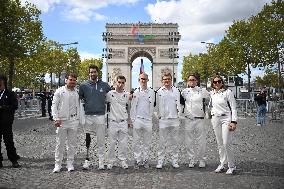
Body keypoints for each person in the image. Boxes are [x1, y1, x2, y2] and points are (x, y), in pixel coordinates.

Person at [79, 65, 111, 170]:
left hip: (100, 116)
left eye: (94, 72)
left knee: (101, 140)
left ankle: (101, 162)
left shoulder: (105, 85)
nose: (93, 74)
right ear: (89, 73)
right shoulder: (83, 85)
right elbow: (79, 100)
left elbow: (112, 98)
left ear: (98, 73)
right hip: (88, 116)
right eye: (91, 72)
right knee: (87, 139)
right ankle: (87, 160)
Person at [51, 73, 80, 173]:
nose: (72, 82)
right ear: (66, 80)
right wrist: (56, 118)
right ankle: (57, 164)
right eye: (71, 80)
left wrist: (79, 119)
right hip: (62, 121)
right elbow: (54, 105)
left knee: (72, 145)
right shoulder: (59, 91)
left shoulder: (77, 92)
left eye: (74, 80)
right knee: (60, 144)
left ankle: (70, 164)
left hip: (73, 121)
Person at [210, 75, 237, 175]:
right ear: (212, 84)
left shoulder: (228, 92)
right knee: (220, 143)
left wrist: (234, 121)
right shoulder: (212, 93)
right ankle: (222, 164)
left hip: (226, 118)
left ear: (222, 82)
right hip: (215, 119)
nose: (217, 83)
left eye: (219, 81)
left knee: (226, 143)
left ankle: (232, 166)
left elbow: (233, 108)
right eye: (215, 82)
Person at [181, 74, 210, 168]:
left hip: (199, 119)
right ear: (187, 81)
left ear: (197, 81)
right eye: (189, 80)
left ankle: (202, 159)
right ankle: (191, 159)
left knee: (201, 142)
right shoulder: (184, 92)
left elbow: (210, 100)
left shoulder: (203, 91)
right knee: (188, 142)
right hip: (188, 119)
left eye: (193, 80)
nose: (191, 81)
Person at [156, 72, 181, 169]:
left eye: (168, 79)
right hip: (164, 120)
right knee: (162, 142)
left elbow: (179, 103)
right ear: (162, 81)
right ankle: (160, 161)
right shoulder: (159, 92)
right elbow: (156, 105)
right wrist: (159, 116)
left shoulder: (176, 90)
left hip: (174, 119)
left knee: (175, 142)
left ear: (171, 80)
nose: (167, 81)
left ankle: (175, 161)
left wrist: (179, 114)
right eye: (165, 79)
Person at [130, 73, 155, 169]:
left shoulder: (152, 92)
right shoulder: (135, 92)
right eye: (141, 79)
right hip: (138, 120)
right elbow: (132, 107)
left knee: (147, 142)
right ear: (138, 80)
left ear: (148, 80)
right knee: (136, 141)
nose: (143, 81)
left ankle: (145, 159)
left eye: (145, 79)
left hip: (148, 120)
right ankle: (137, 159)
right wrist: (132, 120)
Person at [106, 75, 131, 169]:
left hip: (123, 122)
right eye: (119, 82)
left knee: (123, 143)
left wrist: (129, 121)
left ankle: (123, 160)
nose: (120, 84)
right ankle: (111, 161)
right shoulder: (109, 94)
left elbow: (129, 108)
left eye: (122, 83)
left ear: (125, 83)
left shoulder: (127, 95)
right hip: (113, 121)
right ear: (115, 82)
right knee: (111, 143)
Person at [0, 74, 20, 168]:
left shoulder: (10, 93)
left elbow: (15, 106)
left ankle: (13, 160)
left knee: (9, 141)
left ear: (4, 81)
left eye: (0, 80)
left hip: (6, 122)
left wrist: (4, 107)